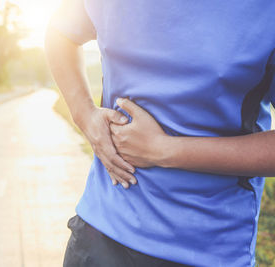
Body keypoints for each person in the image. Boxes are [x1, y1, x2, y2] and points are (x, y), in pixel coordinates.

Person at [45, 0, 275, 266]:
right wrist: (84, 114)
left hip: (204, 249)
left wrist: (163, 150)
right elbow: (60, 31)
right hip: (98, 233)